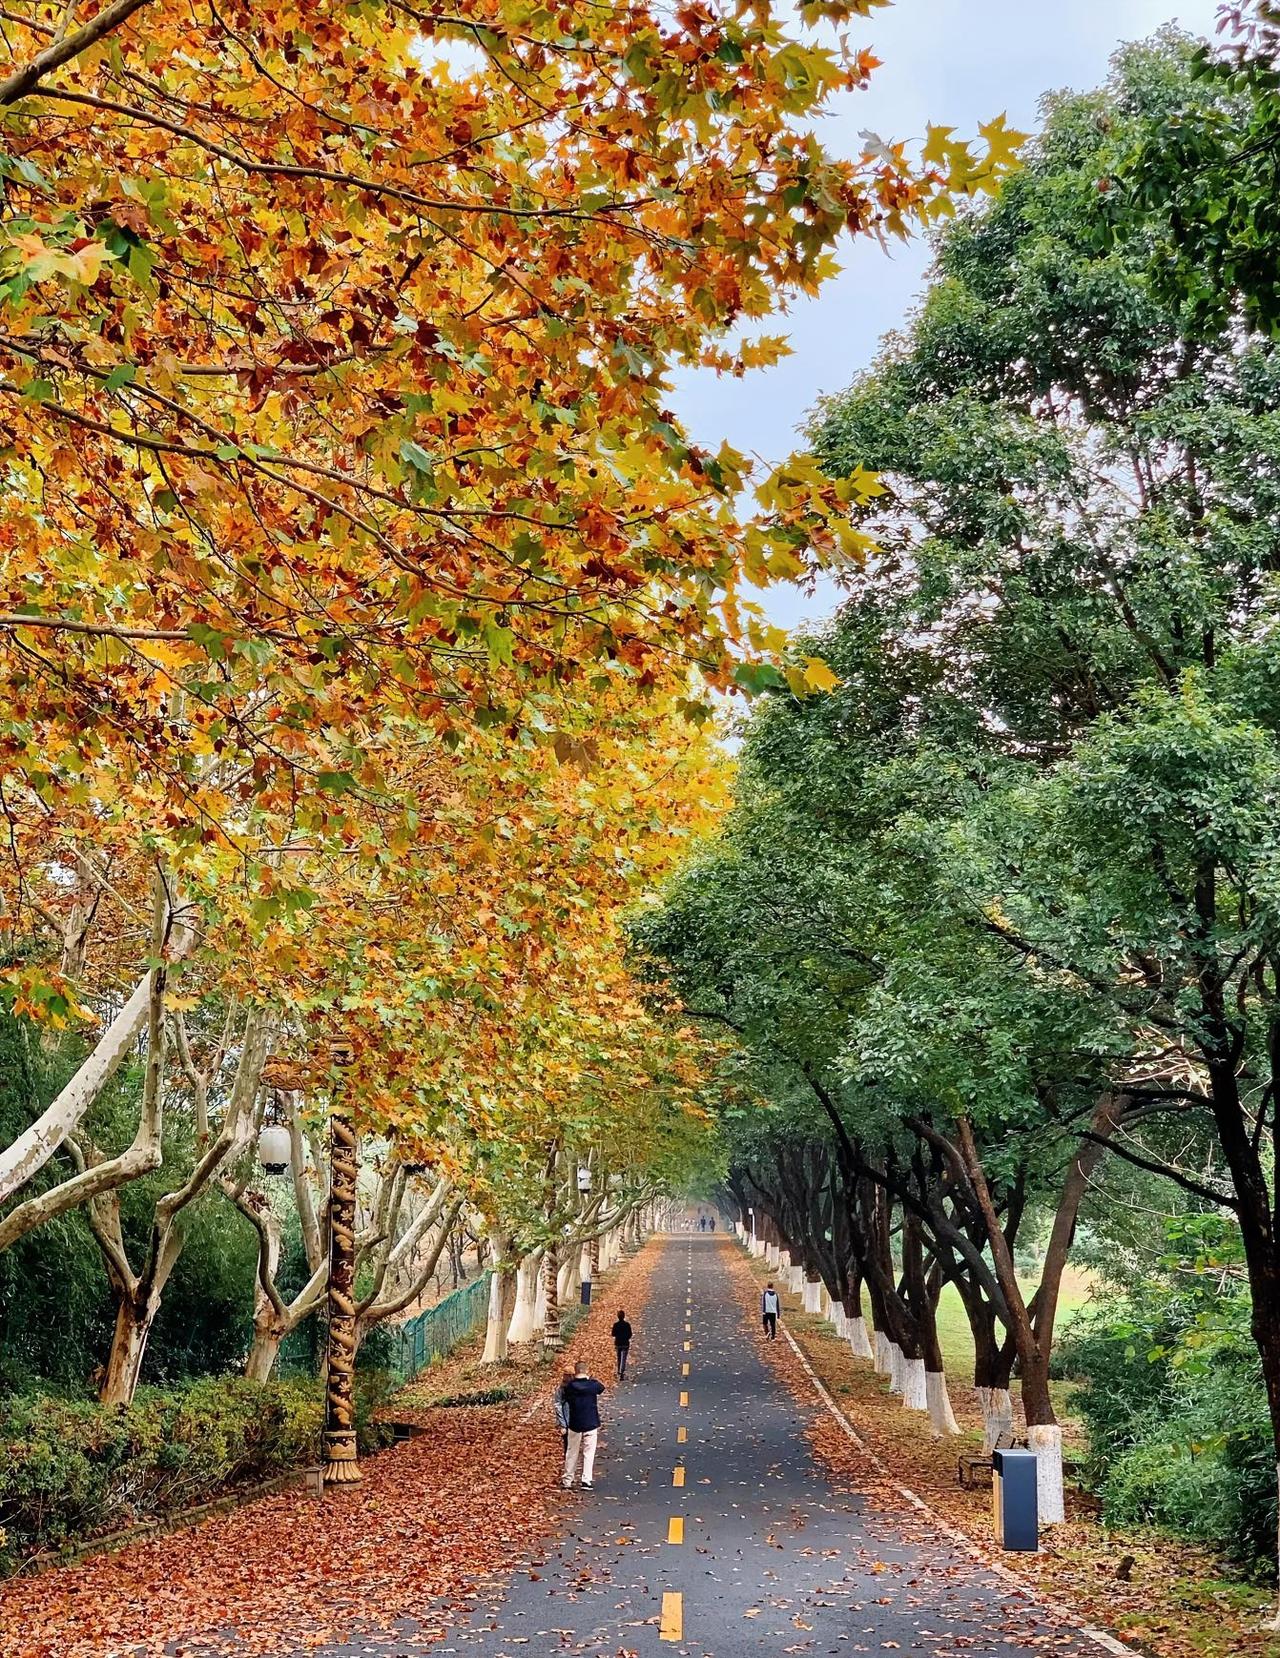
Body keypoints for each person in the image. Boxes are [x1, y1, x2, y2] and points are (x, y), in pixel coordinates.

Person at [561, 1359, 605, 1489]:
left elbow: (565, 1396)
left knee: (571, 1452)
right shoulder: (593, 1385)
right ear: (587, 1371)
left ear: (575, 1372)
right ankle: (586, 1480)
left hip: (575, 1422)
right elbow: (601, 1388)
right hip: (591, 1422)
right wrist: (590, 1378)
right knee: (589, 1452)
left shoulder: (570, 1387)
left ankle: (568, 1480)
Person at [612, 1308, 633, 1379]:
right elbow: (630, 1334)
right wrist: (626, 1337)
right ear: (624, 1316)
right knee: (624, 1358)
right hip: (625, 1343)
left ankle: (618, 1370)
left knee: (619, 1357)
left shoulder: (615, 1325)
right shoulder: (627, 1325)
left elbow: (613, 1334)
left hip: (618, 1343)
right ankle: (622, 1371)